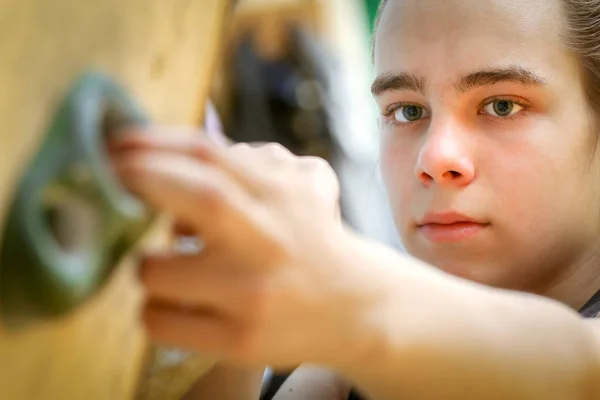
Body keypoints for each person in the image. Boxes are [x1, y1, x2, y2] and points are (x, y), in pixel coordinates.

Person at [111, 0, 600, 398]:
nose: (434, 157)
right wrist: (228, 313)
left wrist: (346, 300)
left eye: (501, 106)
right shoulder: (333, 375)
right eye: (407, 110)